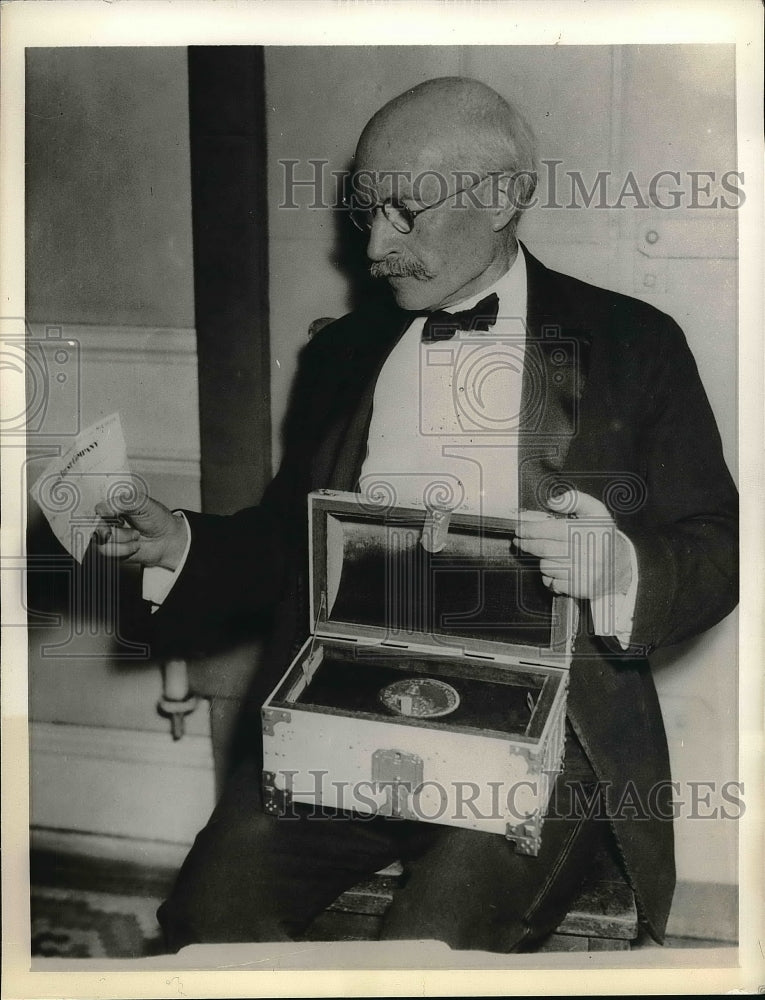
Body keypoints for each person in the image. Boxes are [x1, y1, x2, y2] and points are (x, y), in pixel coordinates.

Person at [95, 77, 738, 952]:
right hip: (343, 717)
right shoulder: (343, 354)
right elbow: (294, 539)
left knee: (429, 948)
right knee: (209, 924)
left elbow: (716, 545)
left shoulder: (635, 342)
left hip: (543, 741)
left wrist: (619, 565)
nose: (374, 246)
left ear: (504, 195)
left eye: (403, 212)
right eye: (365, 214)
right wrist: (183, 542)